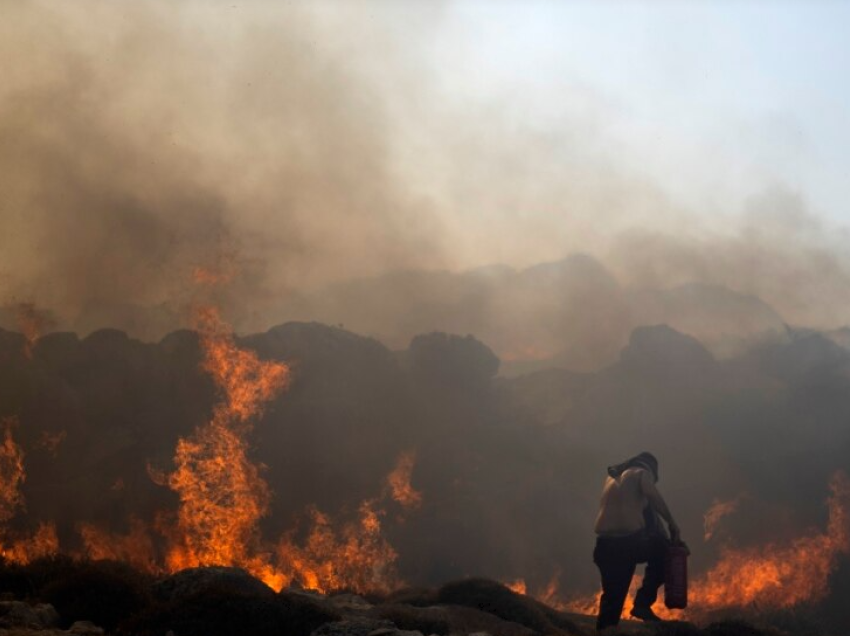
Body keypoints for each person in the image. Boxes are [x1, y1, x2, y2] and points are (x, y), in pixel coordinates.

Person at [592, 452, 685, 631]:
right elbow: (653, 496)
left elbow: (647, 518)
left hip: (603, 546)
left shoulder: (612, 479)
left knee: (613, 598)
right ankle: (642, 603)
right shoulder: (641, 473)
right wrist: (672, 523)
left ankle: (604, 631)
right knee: (666, 553)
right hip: (627, 544)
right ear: (650, 469)